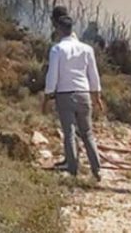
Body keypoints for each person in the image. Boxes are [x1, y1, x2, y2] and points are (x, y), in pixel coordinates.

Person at [42, 14, 104, 181]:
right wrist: (96, 95)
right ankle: (97, 169)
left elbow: (52, 74)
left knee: (69, 132)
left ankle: (72, 167)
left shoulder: (57, 49)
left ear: (59, 29)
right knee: (87, 133)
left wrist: (48, 95)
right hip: (84, 94)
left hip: (65, 94)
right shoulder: (87, 49)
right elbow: (93, 75)